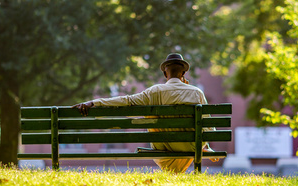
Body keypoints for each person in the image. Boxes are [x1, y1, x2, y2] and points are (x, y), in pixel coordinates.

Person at [72, 53, 218, 173]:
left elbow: (127, 100)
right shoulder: (196, 92)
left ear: (165, 73)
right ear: (183, 73)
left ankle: (176, 169)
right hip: (191, 146)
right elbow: (208, 125)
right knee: (197, 129)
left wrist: (94, 102)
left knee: (155, 121)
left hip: (165, 146)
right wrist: (205, 145)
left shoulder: (154, 91)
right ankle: (204, 149)